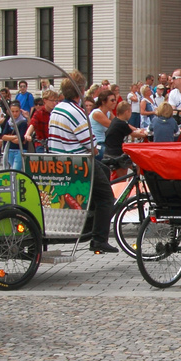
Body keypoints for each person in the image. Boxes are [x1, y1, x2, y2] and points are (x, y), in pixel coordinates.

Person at [47, 78, 114, 252]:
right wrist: (98, 150)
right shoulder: (75, 111)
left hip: (58, 160)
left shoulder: (57, 108)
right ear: (81, 90)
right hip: (77, 163)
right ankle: (99, 239)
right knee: (106, 196)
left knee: (105, 171)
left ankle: (90, 220)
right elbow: (89, 143)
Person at [0, 101, 29, 170]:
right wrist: (15, 137)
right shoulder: (9, 121)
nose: (15, 113)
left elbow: (20, 140)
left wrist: (9, 137)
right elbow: (3, 136)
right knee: (11, 170)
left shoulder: (23, 122)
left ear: (20, 111)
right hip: (10, 149)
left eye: (17, 111)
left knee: (15, 171)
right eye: (13, 111)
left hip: (20, 150)